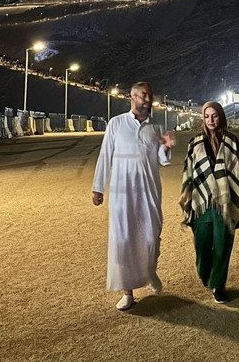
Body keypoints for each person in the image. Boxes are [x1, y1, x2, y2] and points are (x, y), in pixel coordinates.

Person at [92, 81, 176, 311]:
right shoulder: (116, 123)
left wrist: (167, 146)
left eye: (149, 95)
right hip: (122, 192)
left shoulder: (156, 127)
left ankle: (149, 272)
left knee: (151, 236)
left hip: (149, 189)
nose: (147, 99)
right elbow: (105, 155)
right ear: (132, 97)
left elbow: (163, 160)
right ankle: (127, 292)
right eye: (142, 95)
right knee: (123, 238)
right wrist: (98, 187)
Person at [180, 101, 239, 304]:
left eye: (214, 116)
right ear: (203, 119)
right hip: (201, 203)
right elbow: (188, 172)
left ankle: (218, 285)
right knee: (203, 246)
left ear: (221, 116)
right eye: (207, 116)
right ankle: (207, 275)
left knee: (223, 247)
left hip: (226, 203)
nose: (211, 120)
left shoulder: (232, 142)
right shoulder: (195, 143)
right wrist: (186, 197)